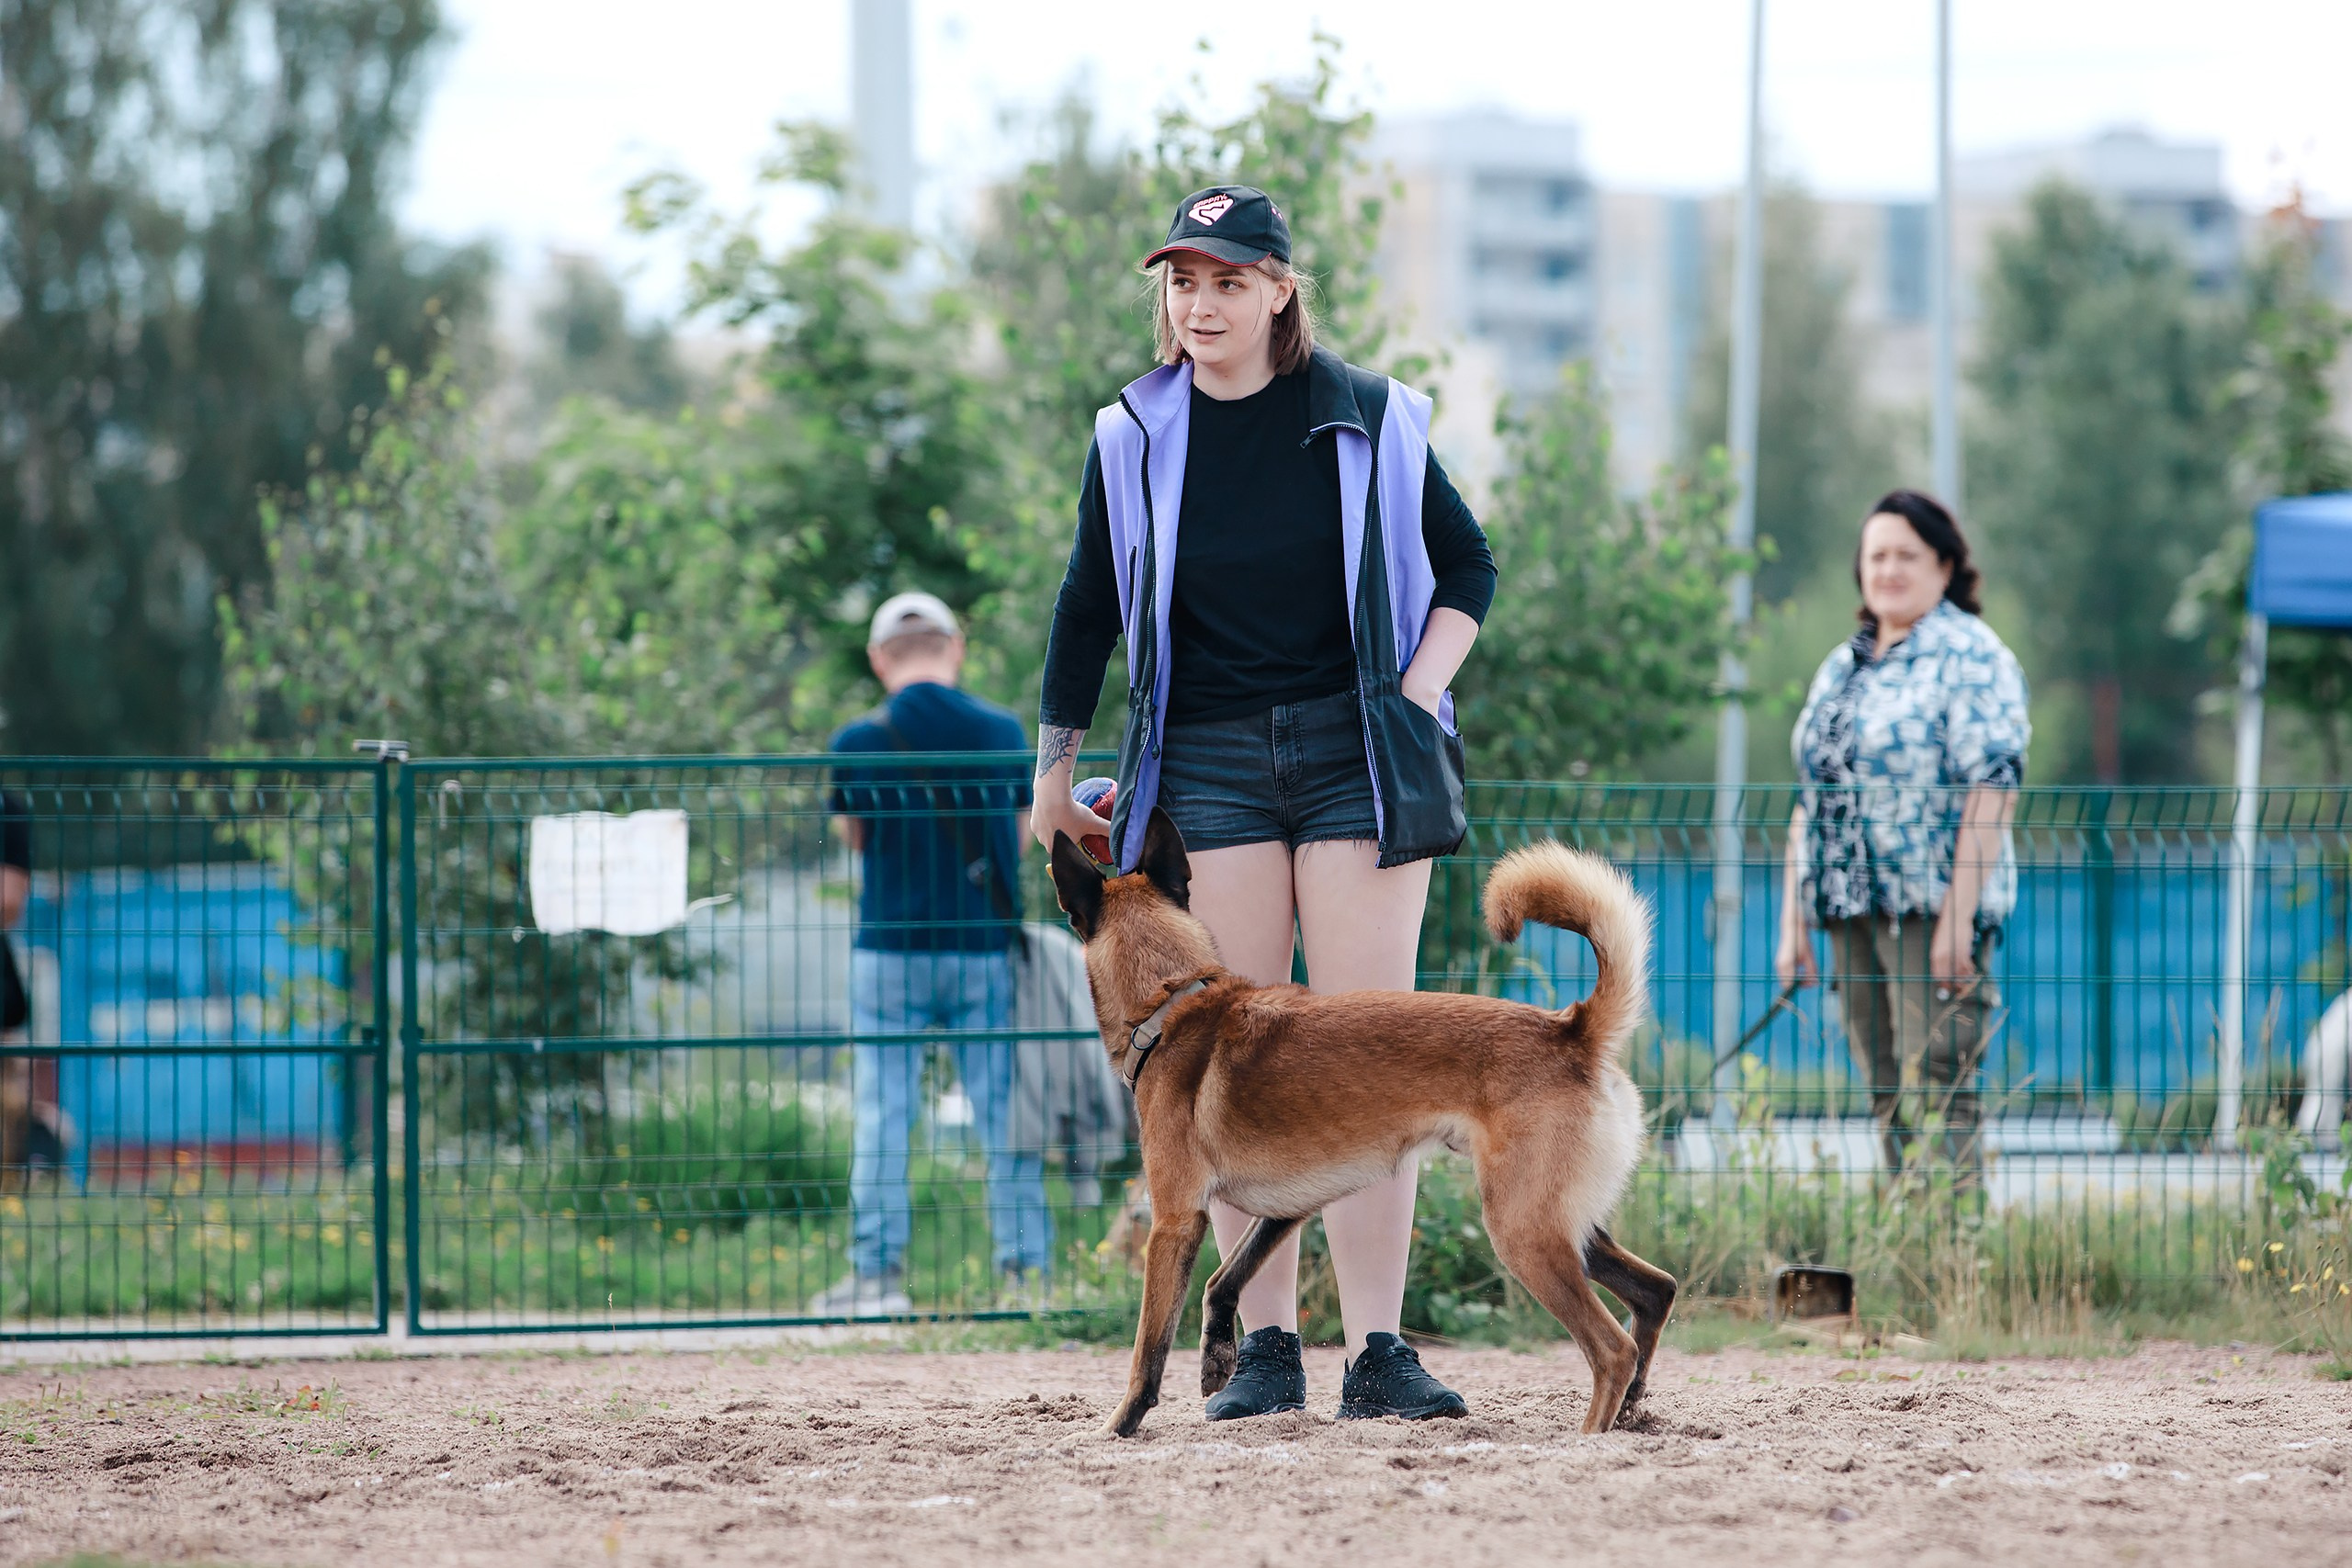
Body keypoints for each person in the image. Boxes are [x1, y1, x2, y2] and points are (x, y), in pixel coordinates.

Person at [1029, 186, 1497, 1420]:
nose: (1202, 303)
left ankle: (1383, 1348)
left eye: (1229, 280)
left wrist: (1415, 690)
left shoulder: (1375, 415)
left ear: (1282, 288)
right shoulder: (1130, 431)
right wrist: (1050, 765)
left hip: (1360, 757)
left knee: (1371, 1050)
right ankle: (1270, 1346)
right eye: (1183, 281)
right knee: (1234, 1065)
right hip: (1207, 765)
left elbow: (1469, 565)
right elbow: (1086, 606)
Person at [1775, 491, 2030, 1179]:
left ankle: (1950, 1251)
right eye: (1876, 555)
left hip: (1928, 909)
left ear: (1945, 566)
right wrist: (1792, 921)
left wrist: (1958, 921)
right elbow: (1811, 796)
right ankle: (1904, 1243)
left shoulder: (1972, 655)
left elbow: (1994, 787)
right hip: (1846, 908)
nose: (1888, 569)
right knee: (1883, 1085)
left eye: (1906, 555)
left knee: (1938, 1076)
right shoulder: (1843, 665)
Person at [813, 592, 1053, 1316]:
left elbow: (856, 839)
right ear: (954, 647)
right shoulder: (1002, 730)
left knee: (884, 1112)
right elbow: (1018, 837)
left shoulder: (857, 741)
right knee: (1002, 1111)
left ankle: (876, 1276)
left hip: (888, 946)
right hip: (981, 947)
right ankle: (1026, 1275)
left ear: (881, 657)